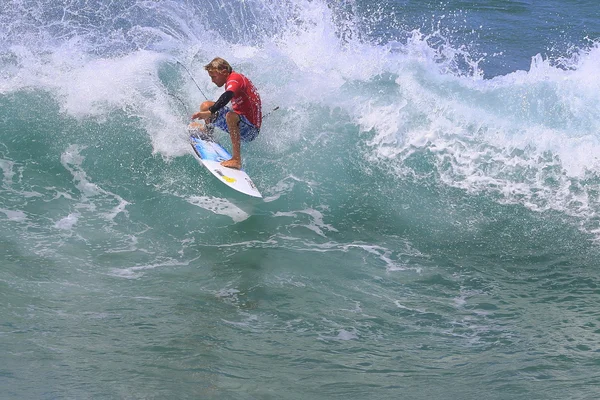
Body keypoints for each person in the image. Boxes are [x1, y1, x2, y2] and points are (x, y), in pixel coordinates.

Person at [191, 57, 262, 170]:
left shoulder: (235, 78)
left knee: (230, 116)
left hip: (251, 130)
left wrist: (210, 112)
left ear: (224, 72)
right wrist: (209, 111)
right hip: (241, 122)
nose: (212, 80)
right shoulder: (231, 80)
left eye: (213, 76)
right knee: (205, 106)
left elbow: (227, 95)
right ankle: (208, 131)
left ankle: (236, 159)